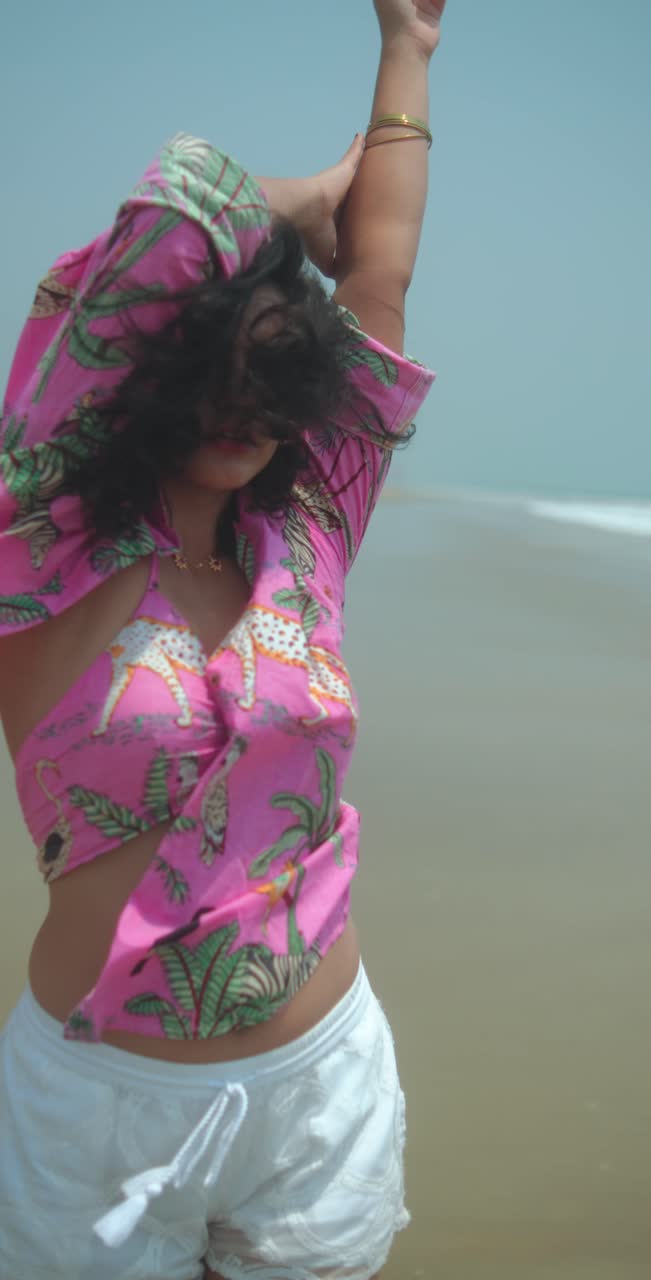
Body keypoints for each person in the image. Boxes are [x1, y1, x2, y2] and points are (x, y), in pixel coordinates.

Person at [0, 1, 445, 1275]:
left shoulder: (305, 536)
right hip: (98, 1118)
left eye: (277, 377)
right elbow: (144, 248)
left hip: (319, 1092)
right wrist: (294, 206)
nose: (250, 408)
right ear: (146, 376)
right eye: (218, 373)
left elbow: (382, 282)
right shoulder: (44, 555)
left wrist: (405, 48)